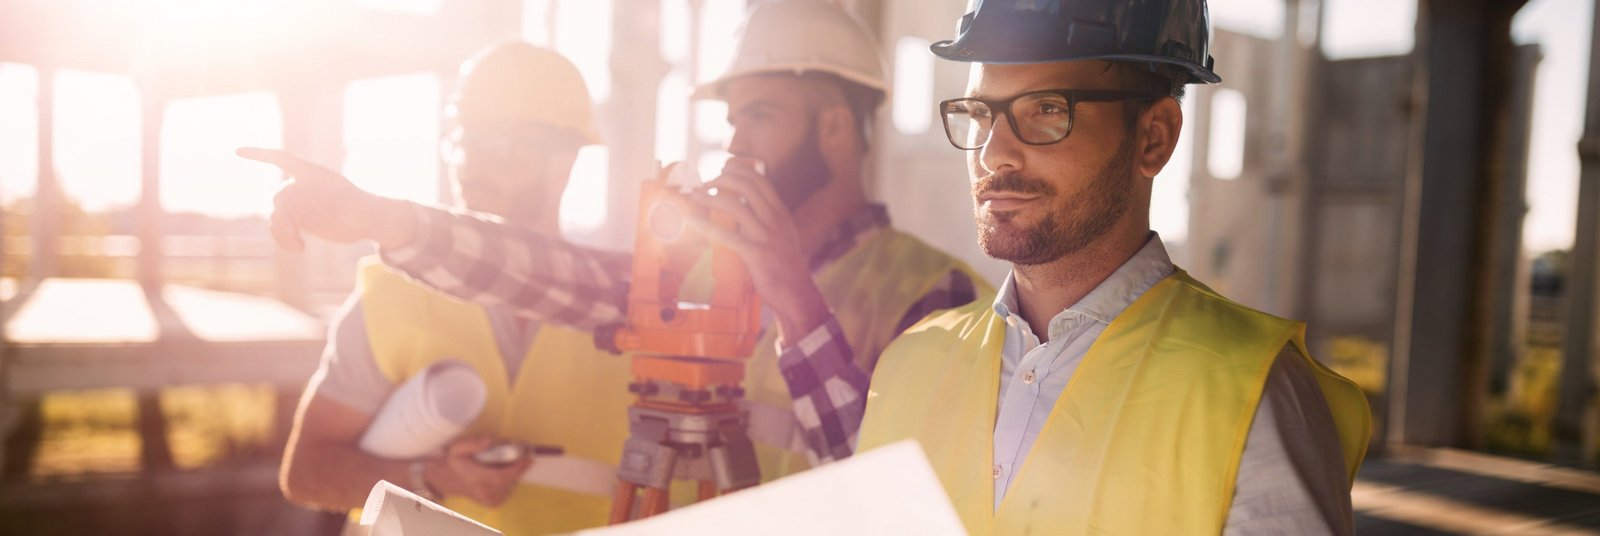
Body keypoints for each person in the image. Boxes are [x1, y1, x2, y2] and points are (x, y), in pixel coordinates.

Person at [246, 0, 990, 495]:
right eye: (730, 120)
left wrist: (791, 293)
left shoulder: (936, 295)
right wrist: (381, 218)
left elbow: (920, 489)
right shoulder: (704, 270)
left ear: (834, 127)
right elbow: (547, 275)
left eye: (757, 116)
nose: (734, 144)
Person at [853, 1, 1372, 535]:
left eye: (1047, 110)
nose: (993, 154)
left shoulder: (1253, 395)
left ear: (1155, 137)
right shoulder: (910, 363)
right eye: (981, 114)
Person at [275, 43, 631, 535]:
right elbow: (307, 473)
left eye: (504, 147)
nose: (472, 166)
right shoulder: (390, 294)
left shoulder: (629, 308)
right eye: (464, 144)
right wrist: (432, 476)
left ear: (563, 162)